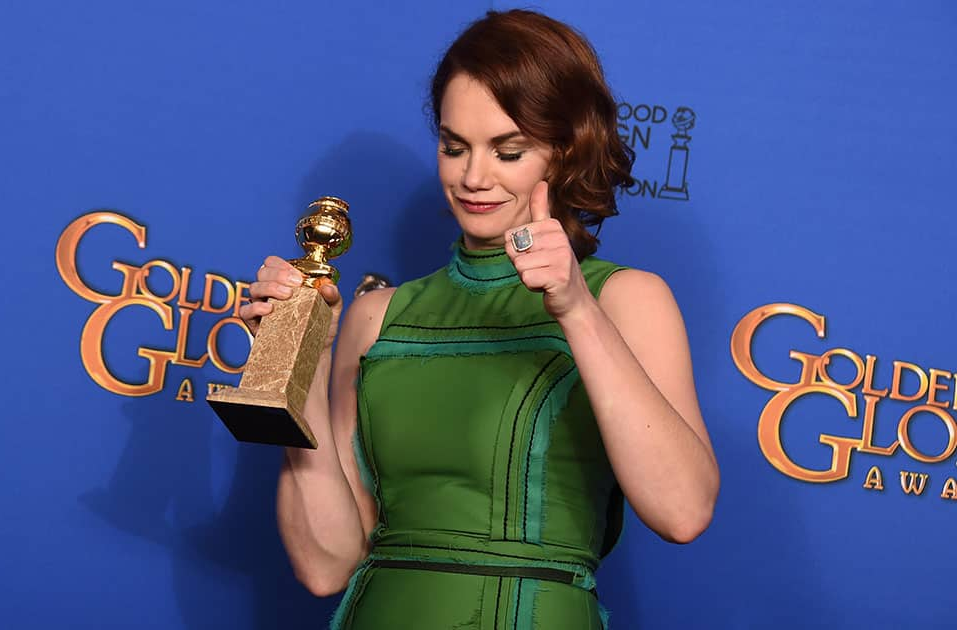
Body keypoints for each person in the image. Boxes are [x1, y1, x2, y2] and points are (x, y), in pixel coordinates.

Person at [240, 9, 719, 629]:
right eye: (453, 146)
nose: (472, 177)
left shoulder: (627, 299)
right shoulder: (376, 317)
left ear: (565, 150)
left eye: (508, 150)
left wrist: (575, 308)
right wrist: (297, 366)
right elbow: (326, 565)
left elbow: (683, 511)